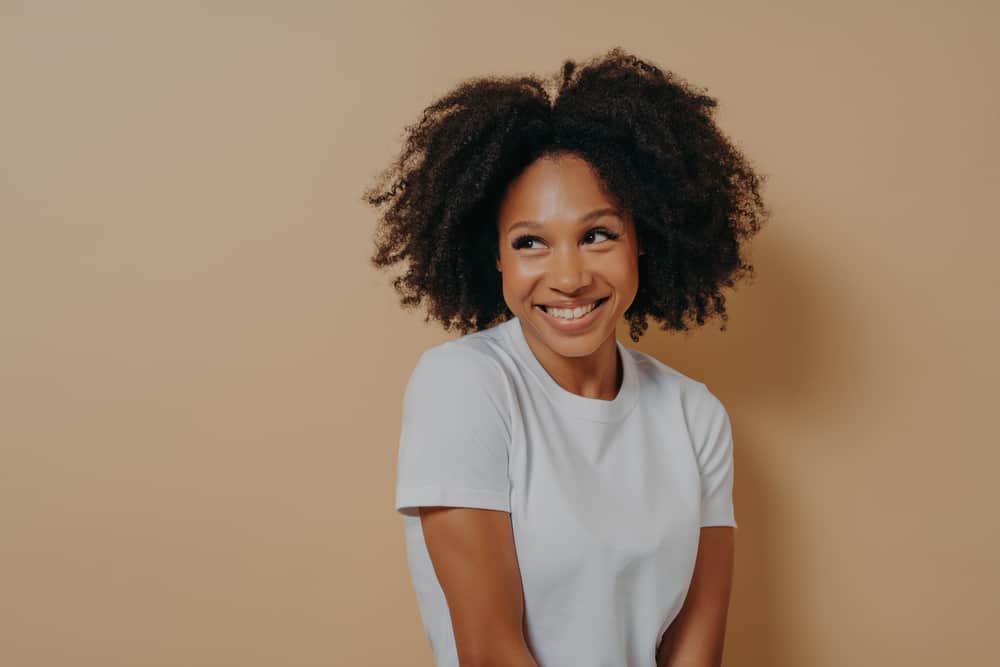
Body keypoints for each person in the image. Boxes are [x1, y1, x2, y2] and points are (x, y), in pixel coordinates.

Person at [364, 47, 768, 667]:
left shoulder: (694, 414)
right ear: (494, 256)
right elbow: (491, 650)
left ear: (643, 241)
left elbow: (694, 653)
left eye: (597, 234)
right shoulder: (463, 387)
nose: (569, 276)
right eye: (531, 243)